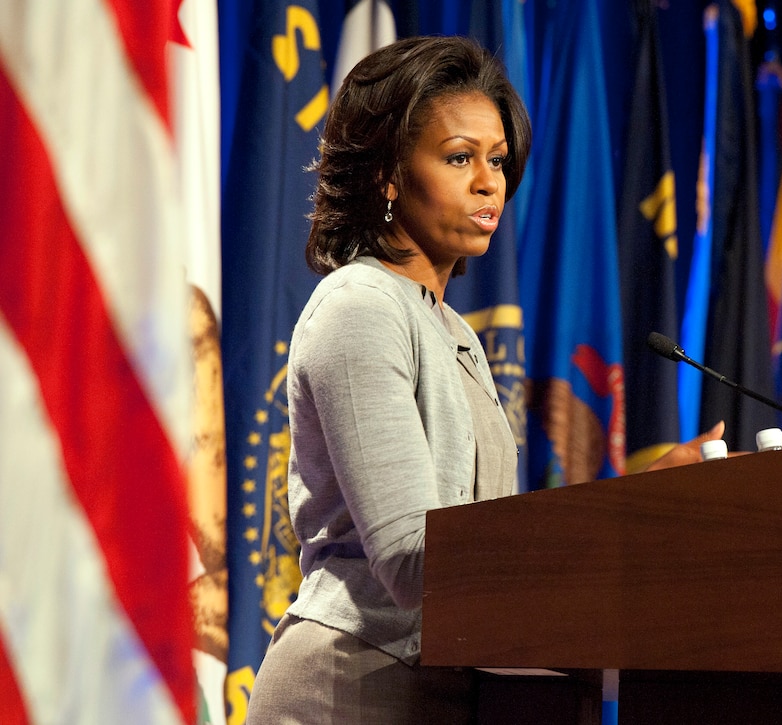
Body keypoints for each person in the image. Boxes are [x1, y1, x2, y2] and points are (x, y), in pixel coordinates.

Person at [246, 35, 724, 724]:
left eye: (497, 160)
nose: (488, 181)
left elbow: (491, 538)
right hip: (351, 685)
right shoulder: (361, 307)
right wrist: (621, 516)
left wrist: (644, 499)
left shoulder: (455, 333)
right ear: (386, 173)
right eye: (459, 157)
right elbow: (416, 560)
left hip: (449, 687)